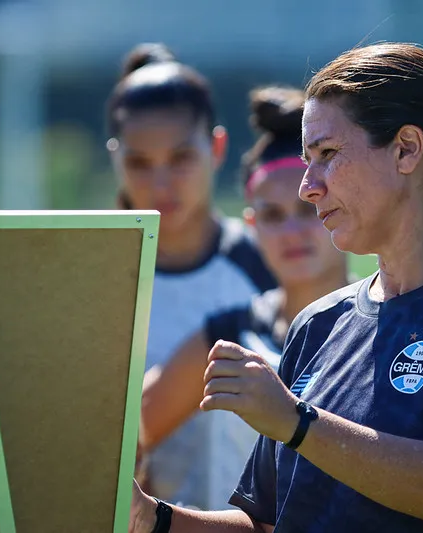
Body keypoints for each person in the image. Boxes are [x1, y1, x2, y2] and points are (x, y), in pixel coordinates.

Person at [129, 42, 423, 533]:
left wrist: (298, 423)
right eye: (307, 160)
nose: (308, 186)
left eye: (327, 154)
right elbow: (265, 524)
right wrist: (150, 518)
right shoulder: (318, 323)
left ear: (406, 149)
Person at [137, 85, 351, 509]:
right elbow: (122, 436)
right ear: (252, 225)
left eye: (306, 209)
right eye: (272, 215)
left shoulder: (392, 320)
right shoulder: (226, 338)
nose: (291, 232)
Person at [107, 43, 276, 509]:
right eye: (140, 163)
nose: (161, 184)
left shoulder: (270, 261)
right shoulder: (94, 277)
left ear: (217, 147)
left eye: (181, 157)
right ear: (115, 158)